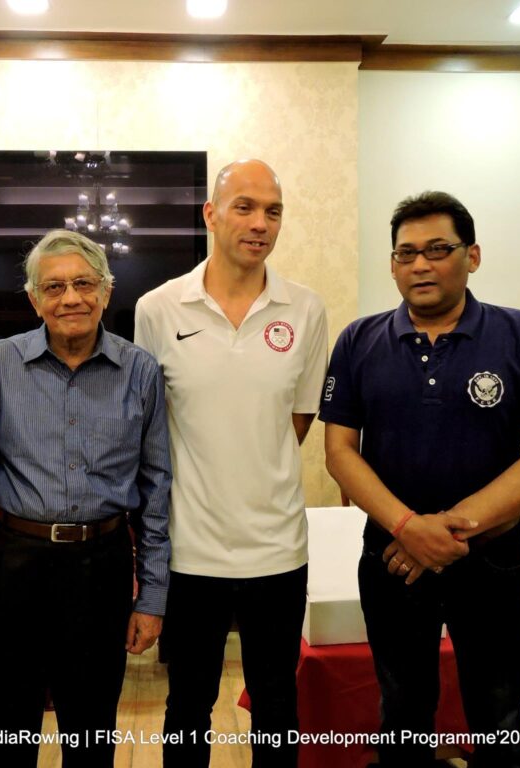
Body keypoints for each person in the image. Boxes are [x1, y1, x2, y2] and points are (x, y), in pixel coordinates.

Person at [321, 191, 520, 767]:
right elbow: (339, 453)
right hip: (392, 558)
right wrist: (408, 527)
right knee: (402, 711)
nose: (420, 264)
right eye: (406, 253)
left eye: (438, 250)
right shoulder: (358, 340)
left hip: (490, 559)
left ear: (472, 256)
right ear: (392, 264)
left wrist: (447, 532)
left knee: (500, 713)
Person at [134, 159, 328, 767]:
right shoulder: (158, 308)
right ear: (211, 215)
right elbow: (149, 429)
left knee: (277, 703)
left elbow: (296, 420)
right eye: (244, 207)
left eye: (273, 211)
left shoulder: (306, 309)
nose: (260, 223)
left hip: (278, 547)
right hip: (191, 550)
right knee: (188, 704)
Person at [0, 229, 171, 767]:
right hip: (13, 563)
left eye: (84, 284)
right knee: (1, 730)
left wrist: (152, 598)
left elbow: (156, 490)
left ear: (106, 291)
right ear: (34, 299)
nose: (71, 298)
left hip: (101, 567)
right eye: (54, 287)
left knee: (90, 729)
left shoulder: (141, 371)